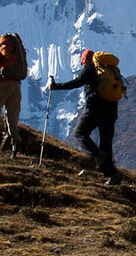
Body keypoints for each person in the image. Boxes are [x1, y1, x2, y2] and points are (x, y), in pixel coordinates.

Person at [50, 49, 121, 185]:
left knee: (80, 133)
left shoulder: (89, 68)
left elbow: (77, 82)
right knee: (105, 142)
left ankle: (97, 159)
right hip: (111, 110)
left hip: (95, 108)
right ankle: (112, 175)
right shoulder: (108, 70)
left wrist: (56, 86)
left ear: (84, 59)